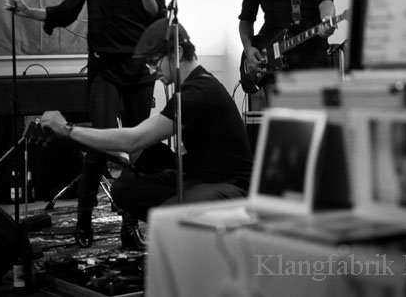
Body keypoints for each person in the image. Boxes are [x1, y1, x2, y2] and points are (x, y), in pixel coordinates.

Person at [5, 0, 166, 250]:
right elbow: (68, 10)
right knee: (99, 143)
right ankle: (84, 216)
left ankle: (129, 226)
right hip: (105, 67)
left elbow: (159, 16)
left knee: (137, 147)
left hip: (140, 68)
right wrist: (29, 12)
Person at [40, 18, 253, 247]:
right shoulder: (190, 88)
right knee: (125, 189)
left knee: (170, 216)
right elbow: (134, 144)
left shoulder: (198, 92)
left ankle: (195, 241)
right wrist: (72, 137)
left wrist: (67, 129)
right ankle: (188, 231)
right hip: (199, 179)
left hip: (233, 187)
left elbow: (133, 139)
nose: (151, 70)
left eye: (154, 62)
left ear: (178, 53)